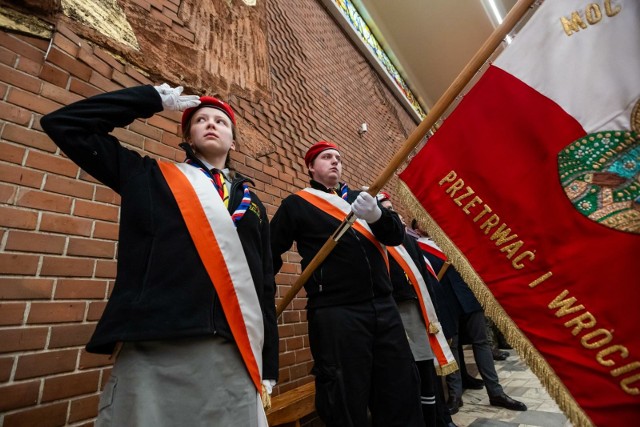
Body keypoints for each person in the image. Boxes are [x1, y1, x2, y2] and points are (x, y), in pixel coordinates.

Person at [41, 84, 279, 426]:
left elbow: (264, 284)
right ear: (188, 137)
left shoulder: (253, 205)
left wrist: (269, 362)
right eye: (200, 120)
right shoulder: (149, 177)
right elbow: (65, 124)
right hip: (155, 347)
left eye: (221, 121)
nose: (211, 124)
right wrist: (150, 99)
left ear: (234, 142)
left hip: (233, 351)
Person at [270, 141, 423, 426]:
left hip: (384, 307)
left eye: (338, 157)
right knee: (344, 394)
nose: (334, 162)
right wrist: (263, 289)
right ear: (311, 166)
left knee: (398, 387)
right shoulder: (297, 203)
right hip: (336, 311)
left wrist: (377, 215)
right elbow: (270, 249)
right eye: (326, 157)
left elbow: (395, 236)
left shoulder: (363, 198)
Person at [413, 224, 527, 415]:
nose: (427, 224)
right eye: (422, 222)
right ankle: (455, 395)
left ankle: (496, 392)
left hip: (469, 297)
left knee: (481, 343)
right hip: (444, 301)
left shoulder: (451, 237)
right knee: (453, 346)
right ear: (416, 229)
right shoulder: (417, 247)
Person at [379, 193, 458, 427]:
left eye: (393, 209)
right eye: (385, 209)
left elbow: (424, 282)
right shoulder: (376, 240)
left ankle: (439, 419)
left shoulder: (409, 242)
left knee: (427, 372)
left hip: (418, 312)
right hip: (394, 313)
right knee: (406, 377)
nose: (392, 214)